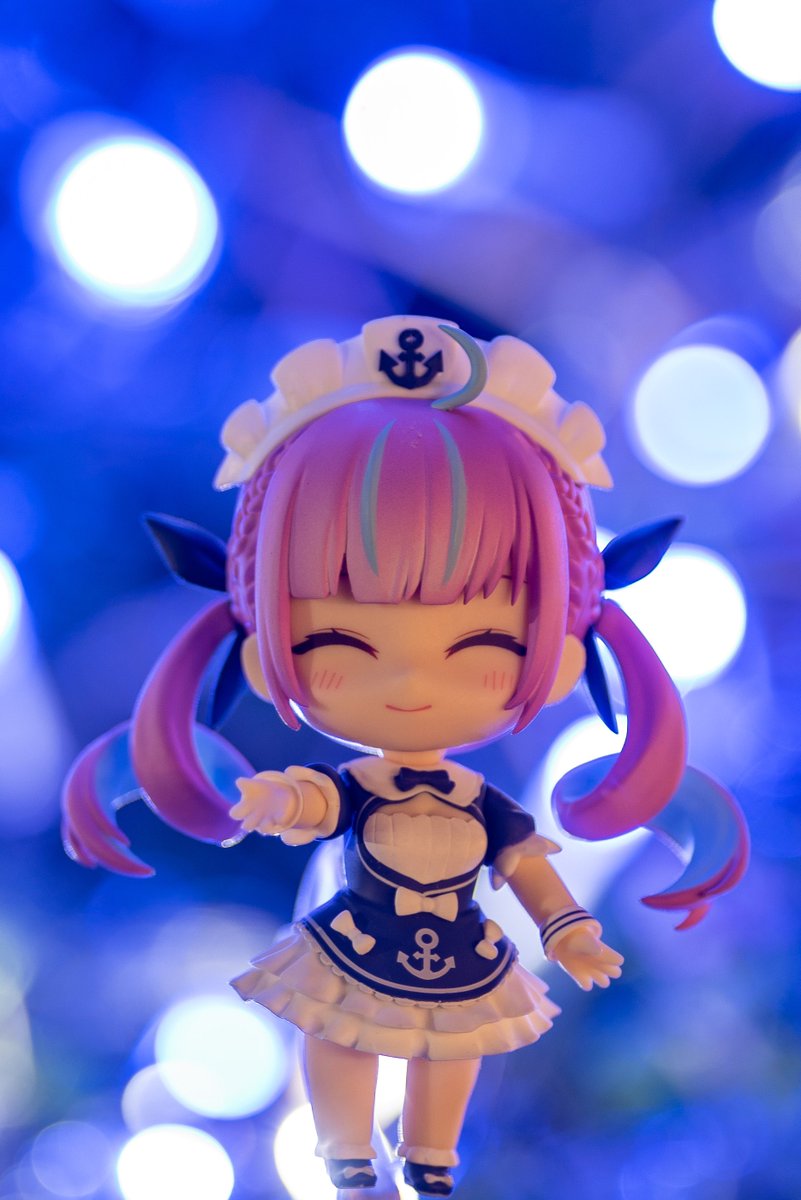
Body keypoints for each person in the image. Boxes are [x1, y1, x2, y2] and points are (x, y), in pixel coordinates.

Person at [63, 317, 748, 1198]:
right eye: (342, 643)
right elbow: (319, 802)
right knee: (336, 1035)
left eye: (480, 647)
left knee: (449, 1051)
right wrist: (277, 802)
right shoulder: (361, 787)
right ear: (263, 654)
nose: (413, 681)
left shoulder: (483, 805)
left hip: (455, 951)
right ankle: (345, 1149)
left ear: (561, 658)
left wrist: (568, 931)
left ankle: (431, 1154)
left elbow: (526, 867)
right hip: (354, 939)